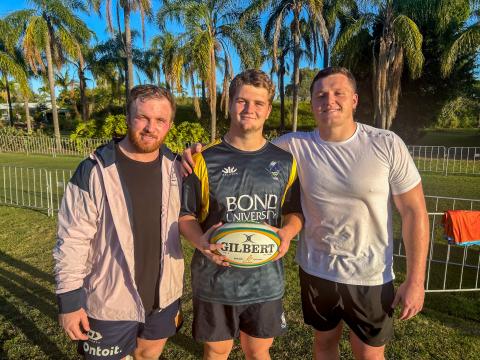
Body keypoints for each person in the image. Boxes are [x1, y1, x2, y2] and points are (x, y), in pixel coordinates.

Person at [182, 67, 430, 360]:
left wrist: (416, 279)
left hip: (371, 274)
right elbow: (245, 149)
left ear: (354, 100)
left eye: (339, 93)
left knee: (369, 356)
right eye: (321, 95)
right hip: (316, 272)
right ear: (312, 102)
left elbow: (414, 212)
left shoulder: (385, 143)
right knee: (323, 346)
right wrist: (191, 154)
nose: (330, 101)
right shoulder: (294, 146)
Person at [179, 69, 304, 360]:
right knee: (216, 351)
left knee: (259, 350)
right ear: (230, 103)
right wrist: (201, 244)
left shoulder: (284, 161)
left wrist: (287, 233)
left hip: (265, 280)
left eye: (259, 103)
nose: (250, 109)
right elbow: (184, 216)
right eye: (242, 101)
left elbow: (294, 212)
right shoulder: (202, 159)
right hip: (215, 280)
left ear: (268, 109)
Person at [53, 85, 184, 360]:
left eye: (160, 120)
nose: (151, 127)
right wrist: (69, 302)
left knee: (148, 356)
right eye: (142, 118)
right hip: (109, 301)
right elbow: (72, 240)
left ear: (169, 125)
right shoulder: (94, 170)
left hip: (162, 298)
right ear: (128, 117)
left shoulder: (177, 168)